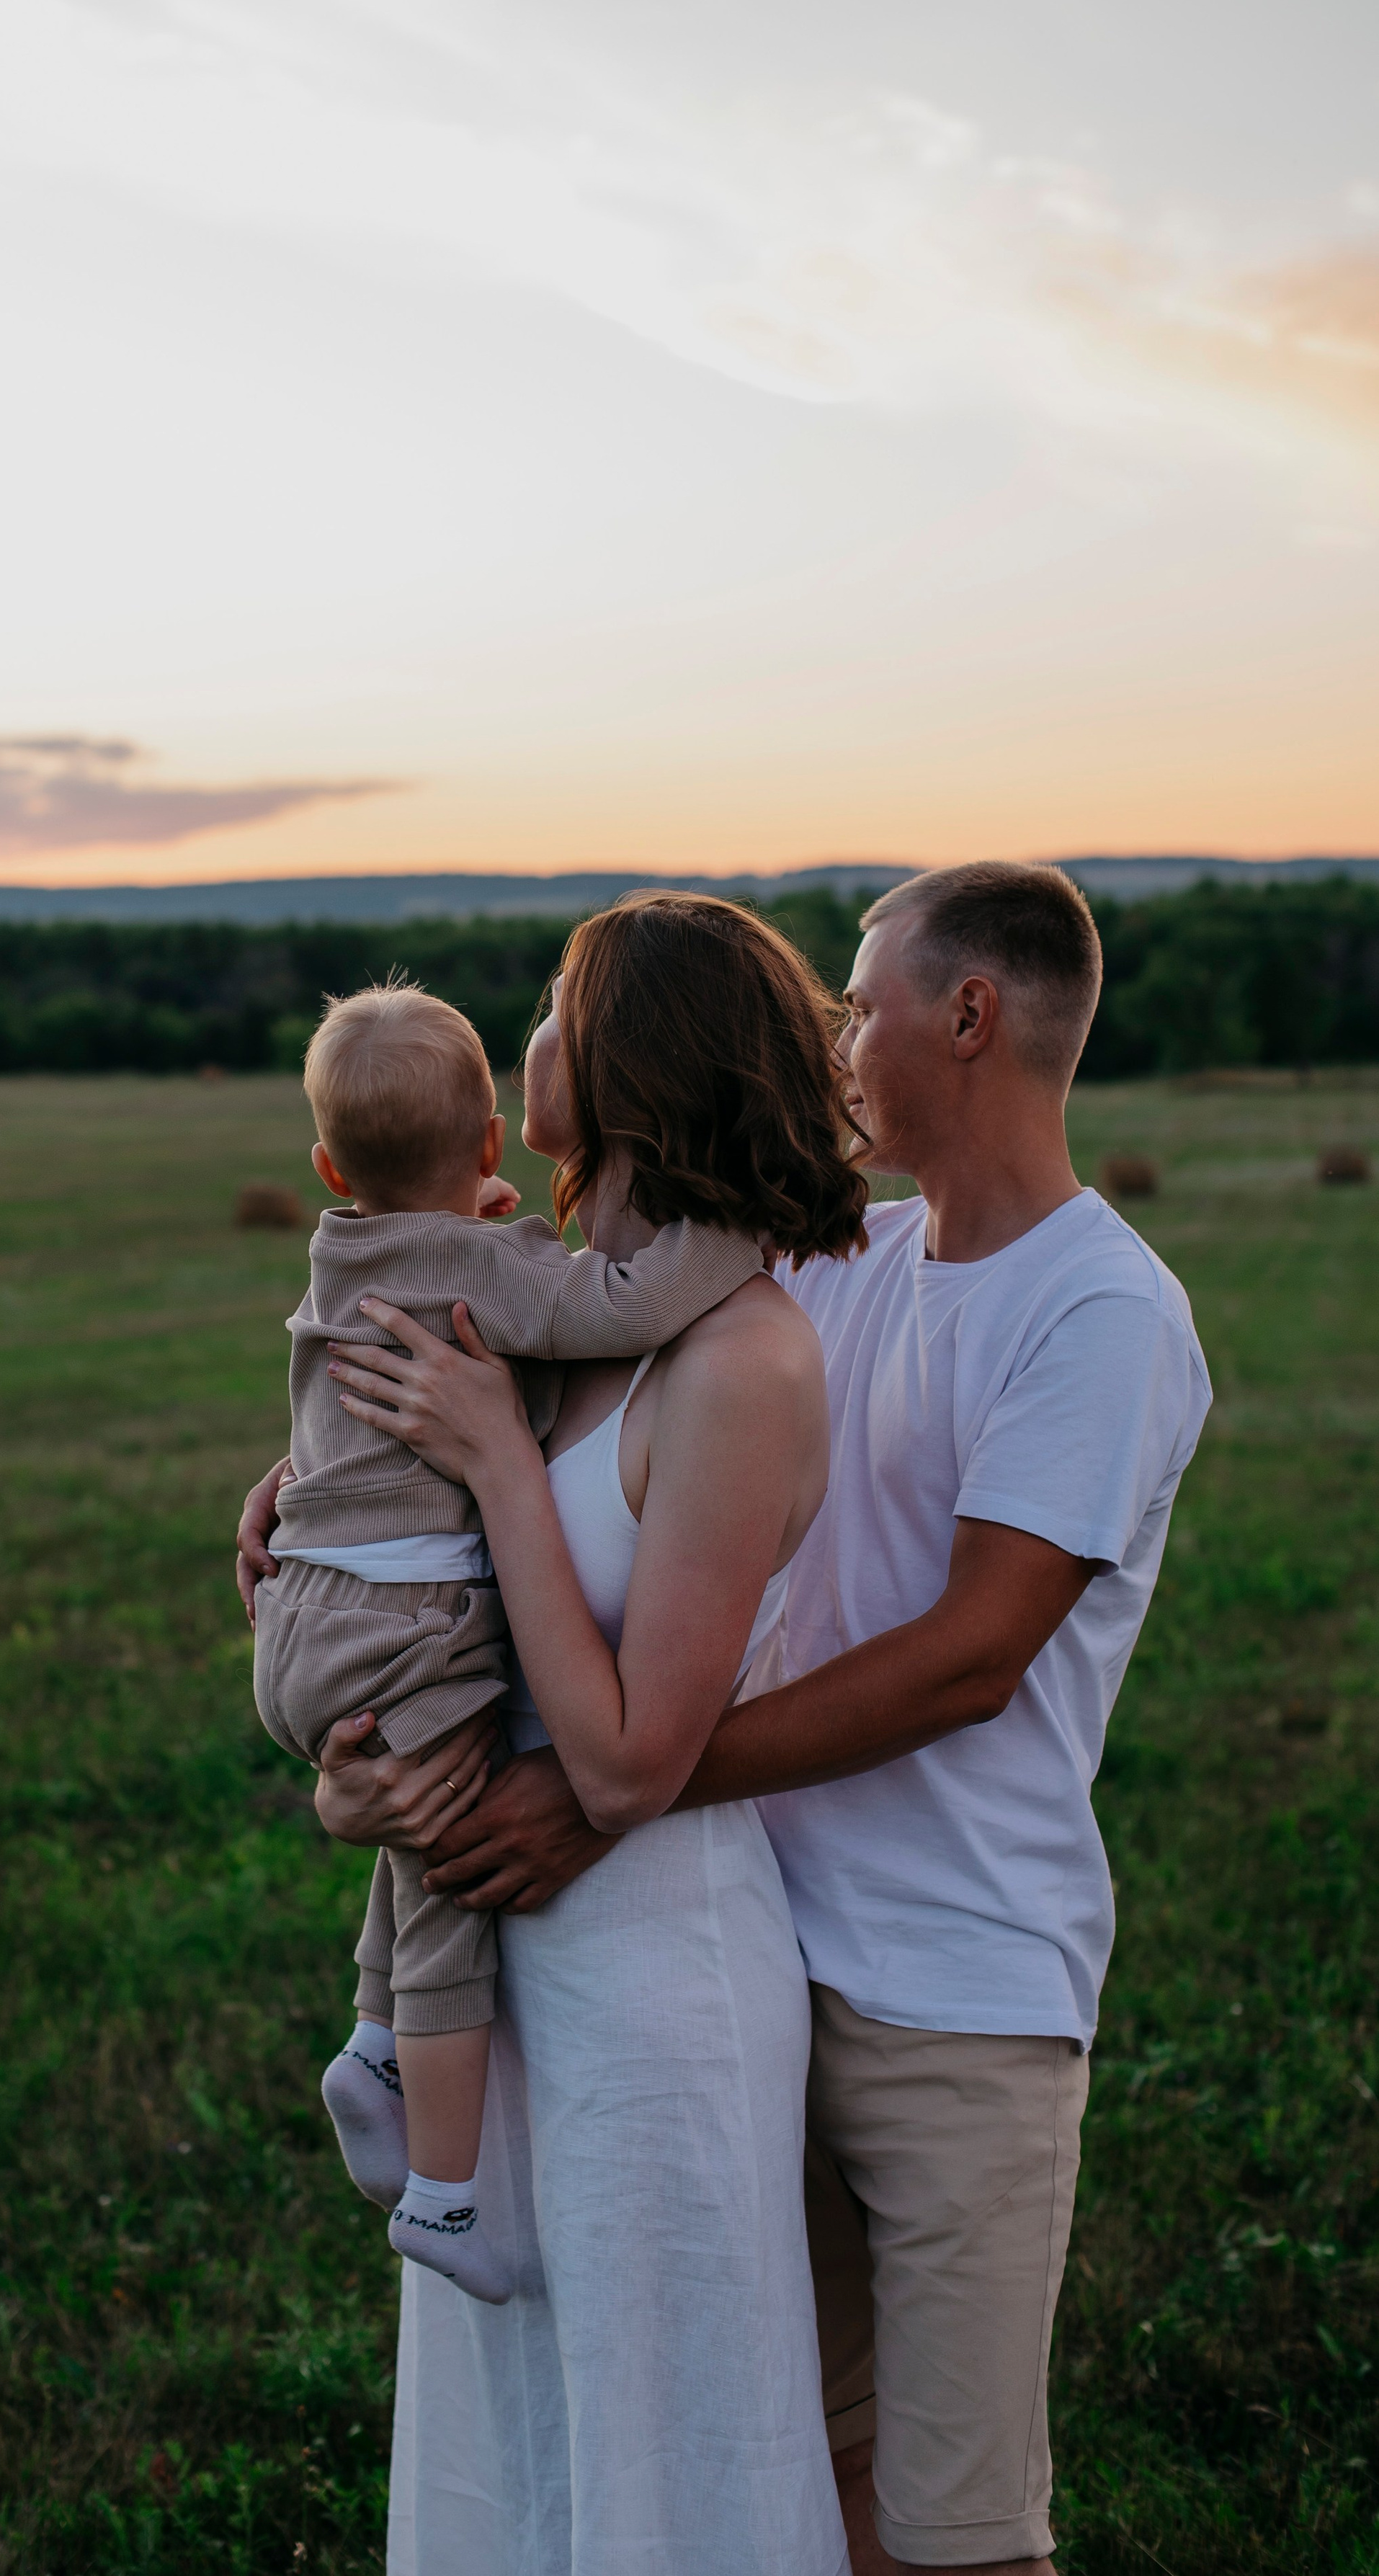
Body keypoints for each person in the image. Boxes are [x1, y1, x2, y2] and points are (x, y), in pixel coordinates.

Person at [250, 860, 1212, 2576]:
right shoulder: (828, 1269)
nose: (836, 1038)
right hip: (752, 1920)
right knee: (783, 2475)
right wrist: (316, 1516)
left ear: (968, 1016)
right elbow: (528, 1443)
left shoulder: (1088, 1309)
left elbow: (960, 1660)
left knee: (949, 2530)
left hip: (941, 1973)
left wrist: (595, 1797)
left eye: (859, 1002)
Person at [246, 890, 866, 2574]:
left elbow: (618, 1763)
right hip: (500, 1987)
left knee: (658, 2456)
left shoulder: (738, 1362)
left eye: (555, 1001)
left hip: (654, 1983)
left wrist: (497, 1463)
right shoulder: (539, 1312)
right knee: (517, 2459)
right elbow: (439, 1621)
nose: (523, 1035)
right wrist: (350, 1758)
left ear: (634, 1064)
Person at [251, 979, 768, 2303]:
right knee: (448, 1863)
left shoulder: (343, 1252)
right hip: (406, 1628)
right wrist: (743, 1228)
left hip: (313, 1615)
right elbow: (625, 1305)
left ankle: (375, 2048)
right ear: (489, 1140)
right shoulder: (507, 1272)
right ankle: (443, 2191)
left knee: (431, 1835)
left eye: (564, 1001)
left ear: (327, 1168)